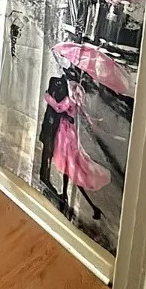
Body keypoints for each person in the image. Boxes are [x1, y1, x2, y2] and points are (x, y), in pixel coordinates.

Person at [44, 71, 111, 220]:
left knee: (70, 168)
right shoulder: (77, 98)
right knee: (69, 169)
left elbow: (59, 108)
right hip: (70, 133)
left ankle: (81, 203)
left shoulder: (70, 100)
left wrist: (48, 97)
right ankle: (67, 196)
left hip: (66, 134)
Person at [39, 75, 69, 195]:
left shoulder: (60, 85)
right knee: (48, 149)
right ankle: (44, 175)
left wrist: (47, 97)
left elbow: (59, 108)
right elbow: (58, 108)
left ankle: (45, 175)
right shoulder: (60, 84)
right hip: (51, 122)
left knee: (49, 150)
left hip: (53, 122)